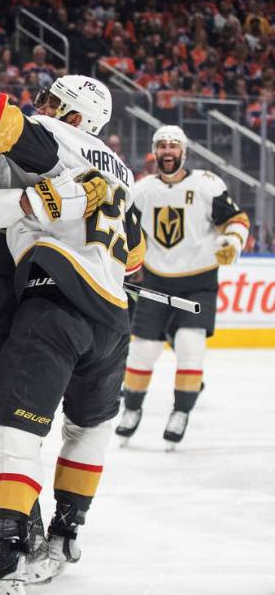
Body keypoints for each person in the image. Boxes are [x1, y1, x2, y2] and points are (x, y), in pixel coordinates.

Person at [0, 5, 144, 592]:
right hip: (115, 316)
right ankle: (68, 527)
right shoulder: (120, 168)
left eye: (49, 101)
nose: (39, 106)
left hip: (56, 299)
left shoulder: (57, 140)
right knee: (88, 427)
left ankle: (14, 540)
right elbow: (138, 256)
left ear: (73, 114)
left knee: (14, 425)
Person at [116, 125, 249, 448]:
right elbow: (124, 231)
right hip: (156, 281)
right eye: (162, 145)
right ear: (155, 152)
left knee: (190, 345)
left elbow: (237, 219)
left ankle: (181, 411)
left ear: (184, 152)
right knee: (143, 351)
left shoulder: (207, 185)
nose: (168, 151)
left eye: (173, 146)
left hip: (199, 282)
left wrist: (232, 241)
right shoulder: (142, 190)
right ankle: (131, 409)